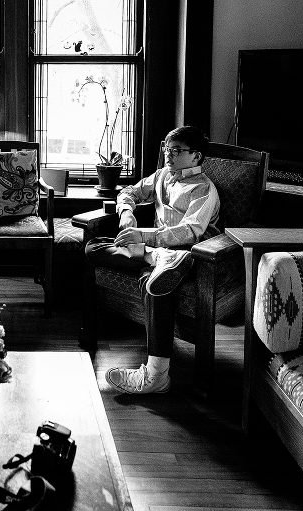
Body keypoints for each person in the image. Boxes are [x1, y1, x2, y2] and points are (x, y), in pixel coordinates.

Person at [84, 126, 220, 394]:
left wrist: (143, 236)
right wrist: (125, 213)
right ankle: (159, 263)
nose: (169, 155)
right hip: (156, 253)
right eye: (167, 149)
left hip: (191, 252)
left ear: (196, 156)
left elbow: (191, 231)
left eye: (177, 150)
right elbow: (128, 192)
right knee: (93, 247)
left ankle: (156, 376)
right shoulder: (161, 176)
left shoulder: (204, 189)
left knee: (155, 283)